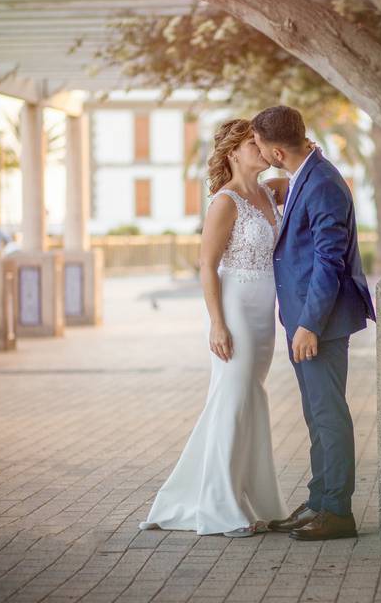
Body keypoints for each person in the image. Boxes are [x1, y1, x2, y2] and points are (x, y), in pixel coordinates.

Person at [139, 118, 290, 537]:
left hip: (265, 308)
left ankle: (256, 500)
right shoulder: (225, 202)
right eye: (253, 143)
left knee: (248, 399)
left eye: (262, 142)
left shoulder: (272, 191)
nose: (262, 148)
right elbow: (207, 265)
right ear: (233, 153)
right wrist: (217, 325)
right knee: (233, 397)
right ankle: (220, 508)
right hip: (236, 306)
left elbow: (312, 175)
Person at [252, 105, 376, 541]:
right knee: (315, 413)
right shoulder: (309, 174)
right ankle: (320, 499)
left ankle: (338, 512)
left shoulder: (322, 183)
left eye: (264, 151)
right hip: (306, 319)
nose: (263, 157)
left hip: (318, 321)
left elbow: (329, 261)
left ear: (279, 151)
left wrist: (309, 325)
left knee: (329, 415)